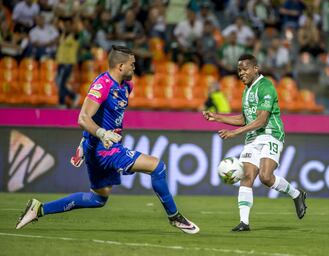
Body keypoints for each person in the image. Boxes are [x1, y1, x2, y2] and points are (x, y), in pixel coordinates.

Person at [16, 45, 200, 235]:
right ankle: (175, 217)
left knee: (97, 199)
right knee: (157, 167)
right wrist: (101, 133)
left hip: (98, 147)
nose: (135, 68)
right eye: (132, 64)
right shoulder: (102, 85)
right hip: (103, 149)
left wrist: (86, 139)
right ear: (120, 66)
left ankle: (39, 209)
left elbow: (104, 116)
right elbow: (83, 117)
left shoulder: (127, 85)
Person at [202, 54, 307, 232]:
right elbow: (245, 118)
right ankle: (244, 222)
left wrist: (234, 133)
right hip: (252, 138)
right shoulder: (246, 91)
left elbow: (261, 120)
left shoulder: (266, 87)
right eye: (239, 70)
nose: (241, 73)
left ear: (255, 69)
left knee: (266, 177)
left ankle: (297, 194)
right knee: (247, 177)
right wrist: (218, 117)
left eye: (245, 69)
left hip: (270, 134)